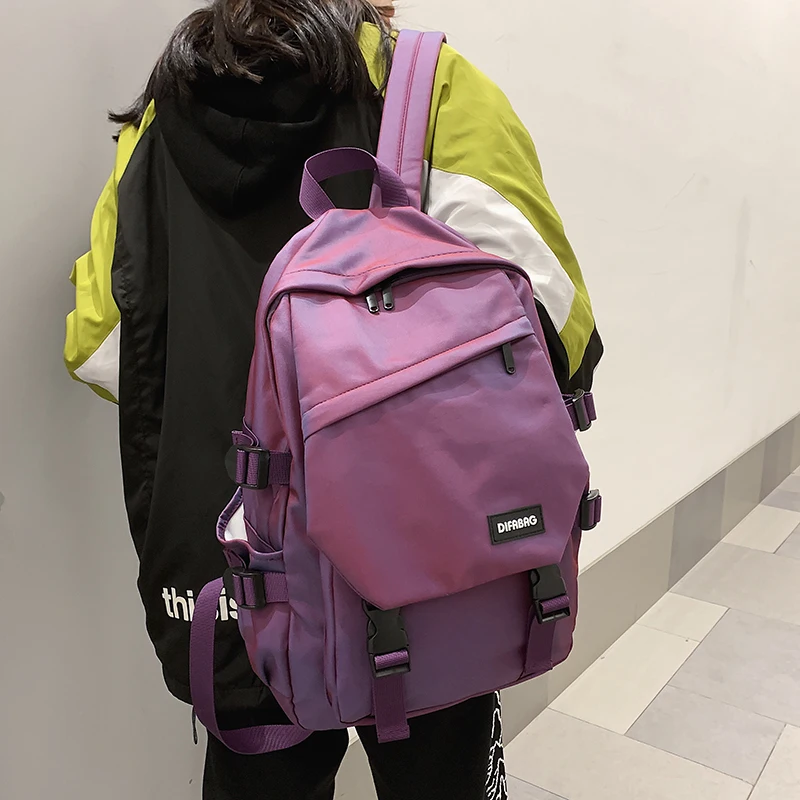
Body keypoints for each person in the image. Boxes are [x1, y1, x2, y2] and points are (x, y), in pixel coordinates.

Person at [64, 1, 602, 798]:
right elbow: (555, 328)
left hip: (235, 571)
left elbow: (102, 346)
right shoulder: (428, 87)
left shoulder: (159, 120)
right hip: (424, 570)